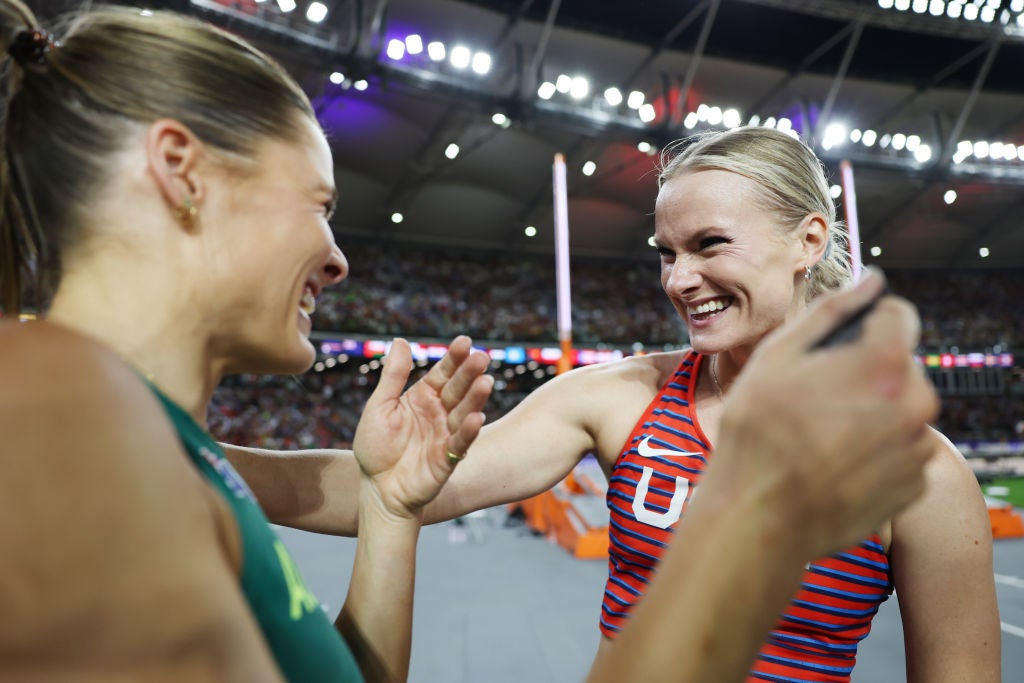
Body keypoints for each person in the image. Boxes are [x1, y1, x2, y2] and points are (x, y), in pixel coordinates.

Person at [224, 129, 1000, 681]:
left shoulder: (923, 475)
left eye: (709, 244)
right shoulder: (622, 398)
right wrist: (188, 456)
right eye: (666, 253)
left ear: (809, 240)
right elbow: (393, 491)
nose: (678, 279)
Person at [0, 4, 493, 682]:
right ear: (182, 170)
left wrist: (388, 506)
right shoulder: (54, 436)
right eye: (320, 206)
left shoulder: (159, 440)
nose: (337, 260)